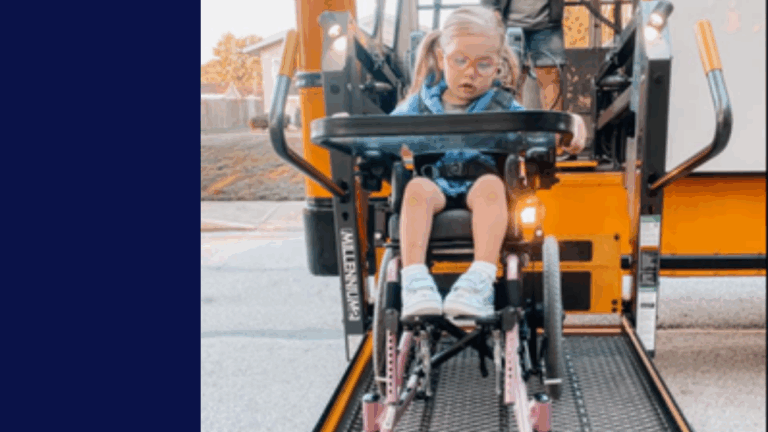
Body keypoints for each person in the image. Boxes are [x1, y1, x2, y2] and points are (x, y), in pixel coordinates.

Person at [388, 5, 586, 319]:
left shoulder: (503, 105)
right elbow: (384, 133)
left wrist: (570, 124)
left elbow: (540, 130)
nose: (471, 72)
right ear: (442, 58)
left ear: (497, 67)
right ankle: (416, 281)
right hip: (435, 186)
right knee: (416, 190)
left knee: (492, 187)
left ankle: (478, 282)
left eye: (484, 64)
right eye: (460, 60)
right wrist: (352, 126)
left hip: (482, 186)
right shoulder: (419, 104)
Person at [482, 0, 567, 112]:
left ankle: (554, 127)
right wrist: (492, 9)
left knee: (551, 78)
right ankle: (513, 127)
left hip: (547, 23)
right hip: (509, 24)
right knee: (511, 80)